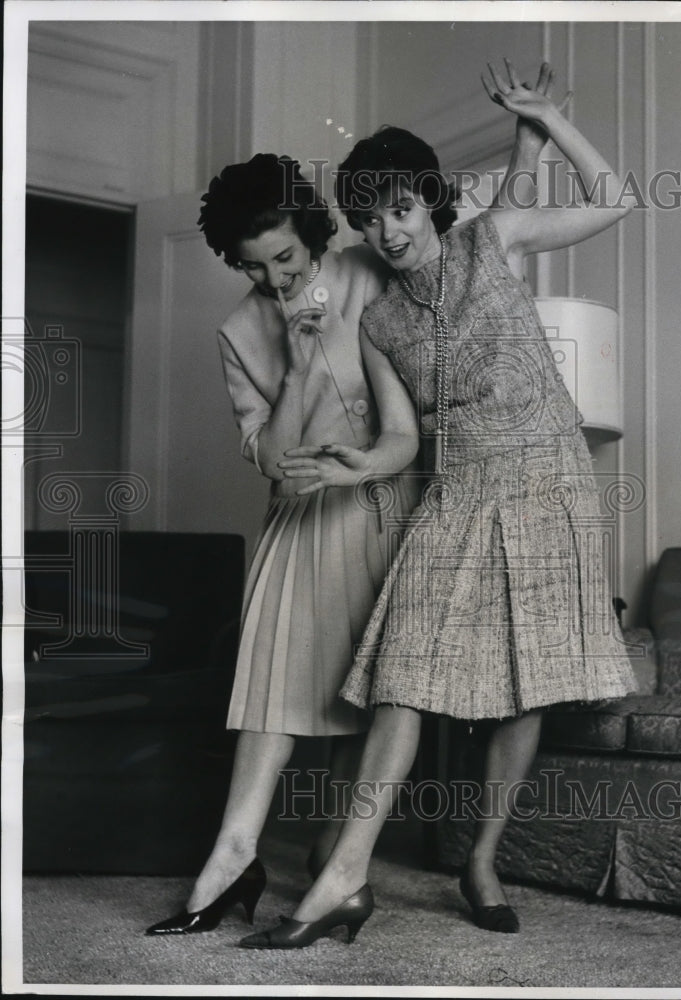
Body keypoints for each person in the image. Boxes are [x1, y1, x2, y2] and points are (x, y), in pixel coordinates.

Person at [239, 59, 638, 950]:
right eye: (370, 214)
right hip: (454, 490)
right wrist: (350, 470)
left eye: (402, 207)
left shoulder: (494, 239)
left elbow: (614, 198)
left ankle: (482, 858)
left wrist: (540, 120)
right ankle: (346, 874)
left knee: (525, 688)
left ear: (429, 202)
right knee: (403, 676)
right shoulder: (379, 323)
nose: (386, 231)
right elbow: (399, 441)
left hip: (546, 480)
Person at [146, 66, 552, 936]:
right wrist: (294, 363)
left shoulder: (374, 262)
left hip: (401, 511)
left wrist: (530, 135)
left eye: (287, 260)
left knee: (370, 698)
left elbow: (482, 248)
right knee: (276, 693)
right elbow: (273, 462)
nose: (276, 281)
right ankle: (231, 860)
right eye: (254, 270)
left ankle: (343, 871)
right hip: (306, 525)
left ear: (314, 235)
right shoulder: (237, 333)